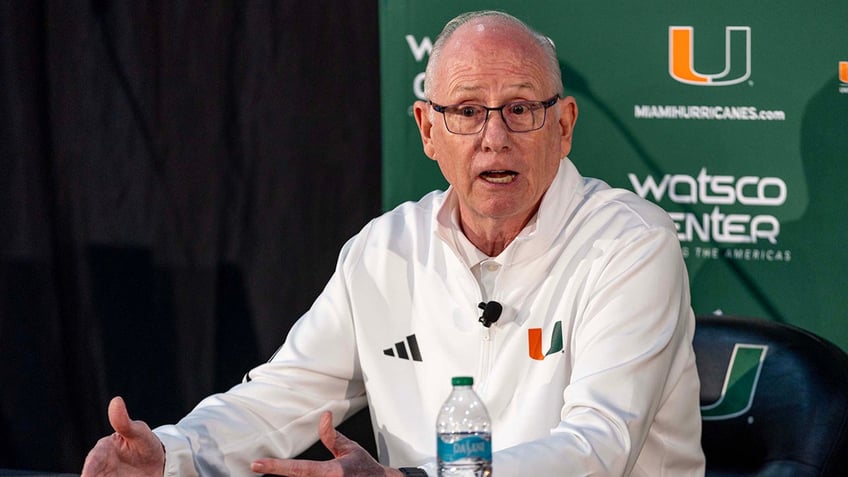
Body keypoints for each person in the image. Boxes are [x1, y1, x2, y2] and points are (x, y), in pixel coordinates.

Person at [82, 10, 705, 477]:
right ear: (428, 130)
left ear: (564, 126)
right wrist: (172, 454)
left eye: (520, 109)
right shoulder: (385, 251)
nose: (494, 137)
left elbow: (599, 447)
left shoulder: (630, 245)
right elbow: (283, 395)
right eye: (466, 111)